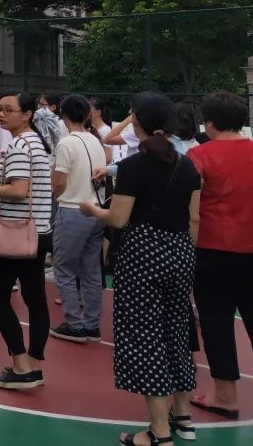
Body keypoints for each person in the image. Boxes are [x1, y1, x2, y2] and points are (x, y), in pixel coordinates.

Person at [80, 92, 201, 446]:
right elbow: (194, 220)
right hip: (181, 251)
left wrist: (92, 210)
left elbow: (118, 219)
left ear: (139, 122)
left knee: (144, 337)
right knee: (177, 331)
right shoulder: (187, 165)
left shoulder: (134, 167)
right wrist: (183, 253)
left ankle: (158, 432)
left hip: (142, 255)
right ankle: (182, 416)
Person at [186, 91, 253, 421]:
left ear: (209, 122)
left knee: (216, 322)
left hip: (213, 250)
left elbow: (190, 209)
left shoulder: (199, 156)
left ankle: (225, 396)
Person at [0, 91, 53, 390]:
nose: (1, 114)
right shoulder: (35, 142)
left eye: (8, 110)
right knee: (35, 298)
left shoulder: (19, 145)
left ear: (27, 115)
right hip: (37, 232)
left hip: (15, 233)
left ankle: (21, 365)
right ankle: (34, 364)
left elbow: (18, 190)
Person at [49, 94, 108, 343]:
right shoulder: (95, 140)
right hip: (95, 209)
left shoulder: (66, 143)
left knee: (64, 269)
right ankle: (91, 324)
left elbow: (59, 182)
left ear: (63, 115)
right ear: (86, 115)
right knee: (91, 269)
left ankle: (74, 324)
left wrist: (56, 192)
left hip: (73, 209)